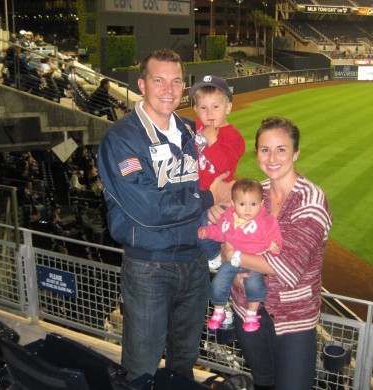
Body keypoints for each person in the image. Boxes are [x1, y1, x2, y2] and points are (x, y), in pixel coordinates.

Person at [97, 49, 233, 382]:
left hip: (196, 263)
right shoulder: (121, 138)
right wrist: (206, 198)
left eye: (176, 81)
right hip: (149, 268)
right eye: (159, 80)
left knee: (184, 363)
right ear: (142, 84)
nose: (169, 90)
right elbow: (149, 209)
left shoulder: (191, 131)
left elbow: (221, 172)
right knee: (141, 366)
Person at [211, 117, 333, 390]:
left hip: (293, 319)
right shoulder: (257, 192)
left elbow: (288, 268)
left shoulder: (311, 200)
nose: (272, 157)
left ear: (296, 153)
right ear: (257, 154)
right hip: (248, 310)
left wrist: (235, 260)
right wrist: (220, 230)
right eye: (265, 149)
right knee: (264, 383)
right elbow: (227, 232)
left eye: (281, 149)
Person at [199, 178, 282, 333]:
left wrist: (274, 245)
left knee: (253, 284)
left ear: (262, 203)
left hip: (253, 260)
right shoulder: (228, 217)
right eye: (242, 204)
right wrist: (207, 232)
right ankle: (218, 311)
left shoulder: (266, 221)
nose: (248, 209)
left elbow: (275, 236)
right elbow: (219, 232)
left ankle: (251, 315)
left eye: (253, 204)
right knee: (218, 282)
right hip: (232, 262)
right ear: (234, 203)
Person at [189, 75, 245, 269]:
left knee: (203, 225)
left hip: (219, 199)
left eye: (216, 107)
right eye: (203, 108)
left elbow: (225, 165)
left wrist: (212, 141)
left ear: (227, 108)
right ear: (196, 110)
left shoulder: (233, 136)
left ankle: (215, 256)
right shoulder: (195, 127)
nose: (209, 113)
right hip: (200, 194)